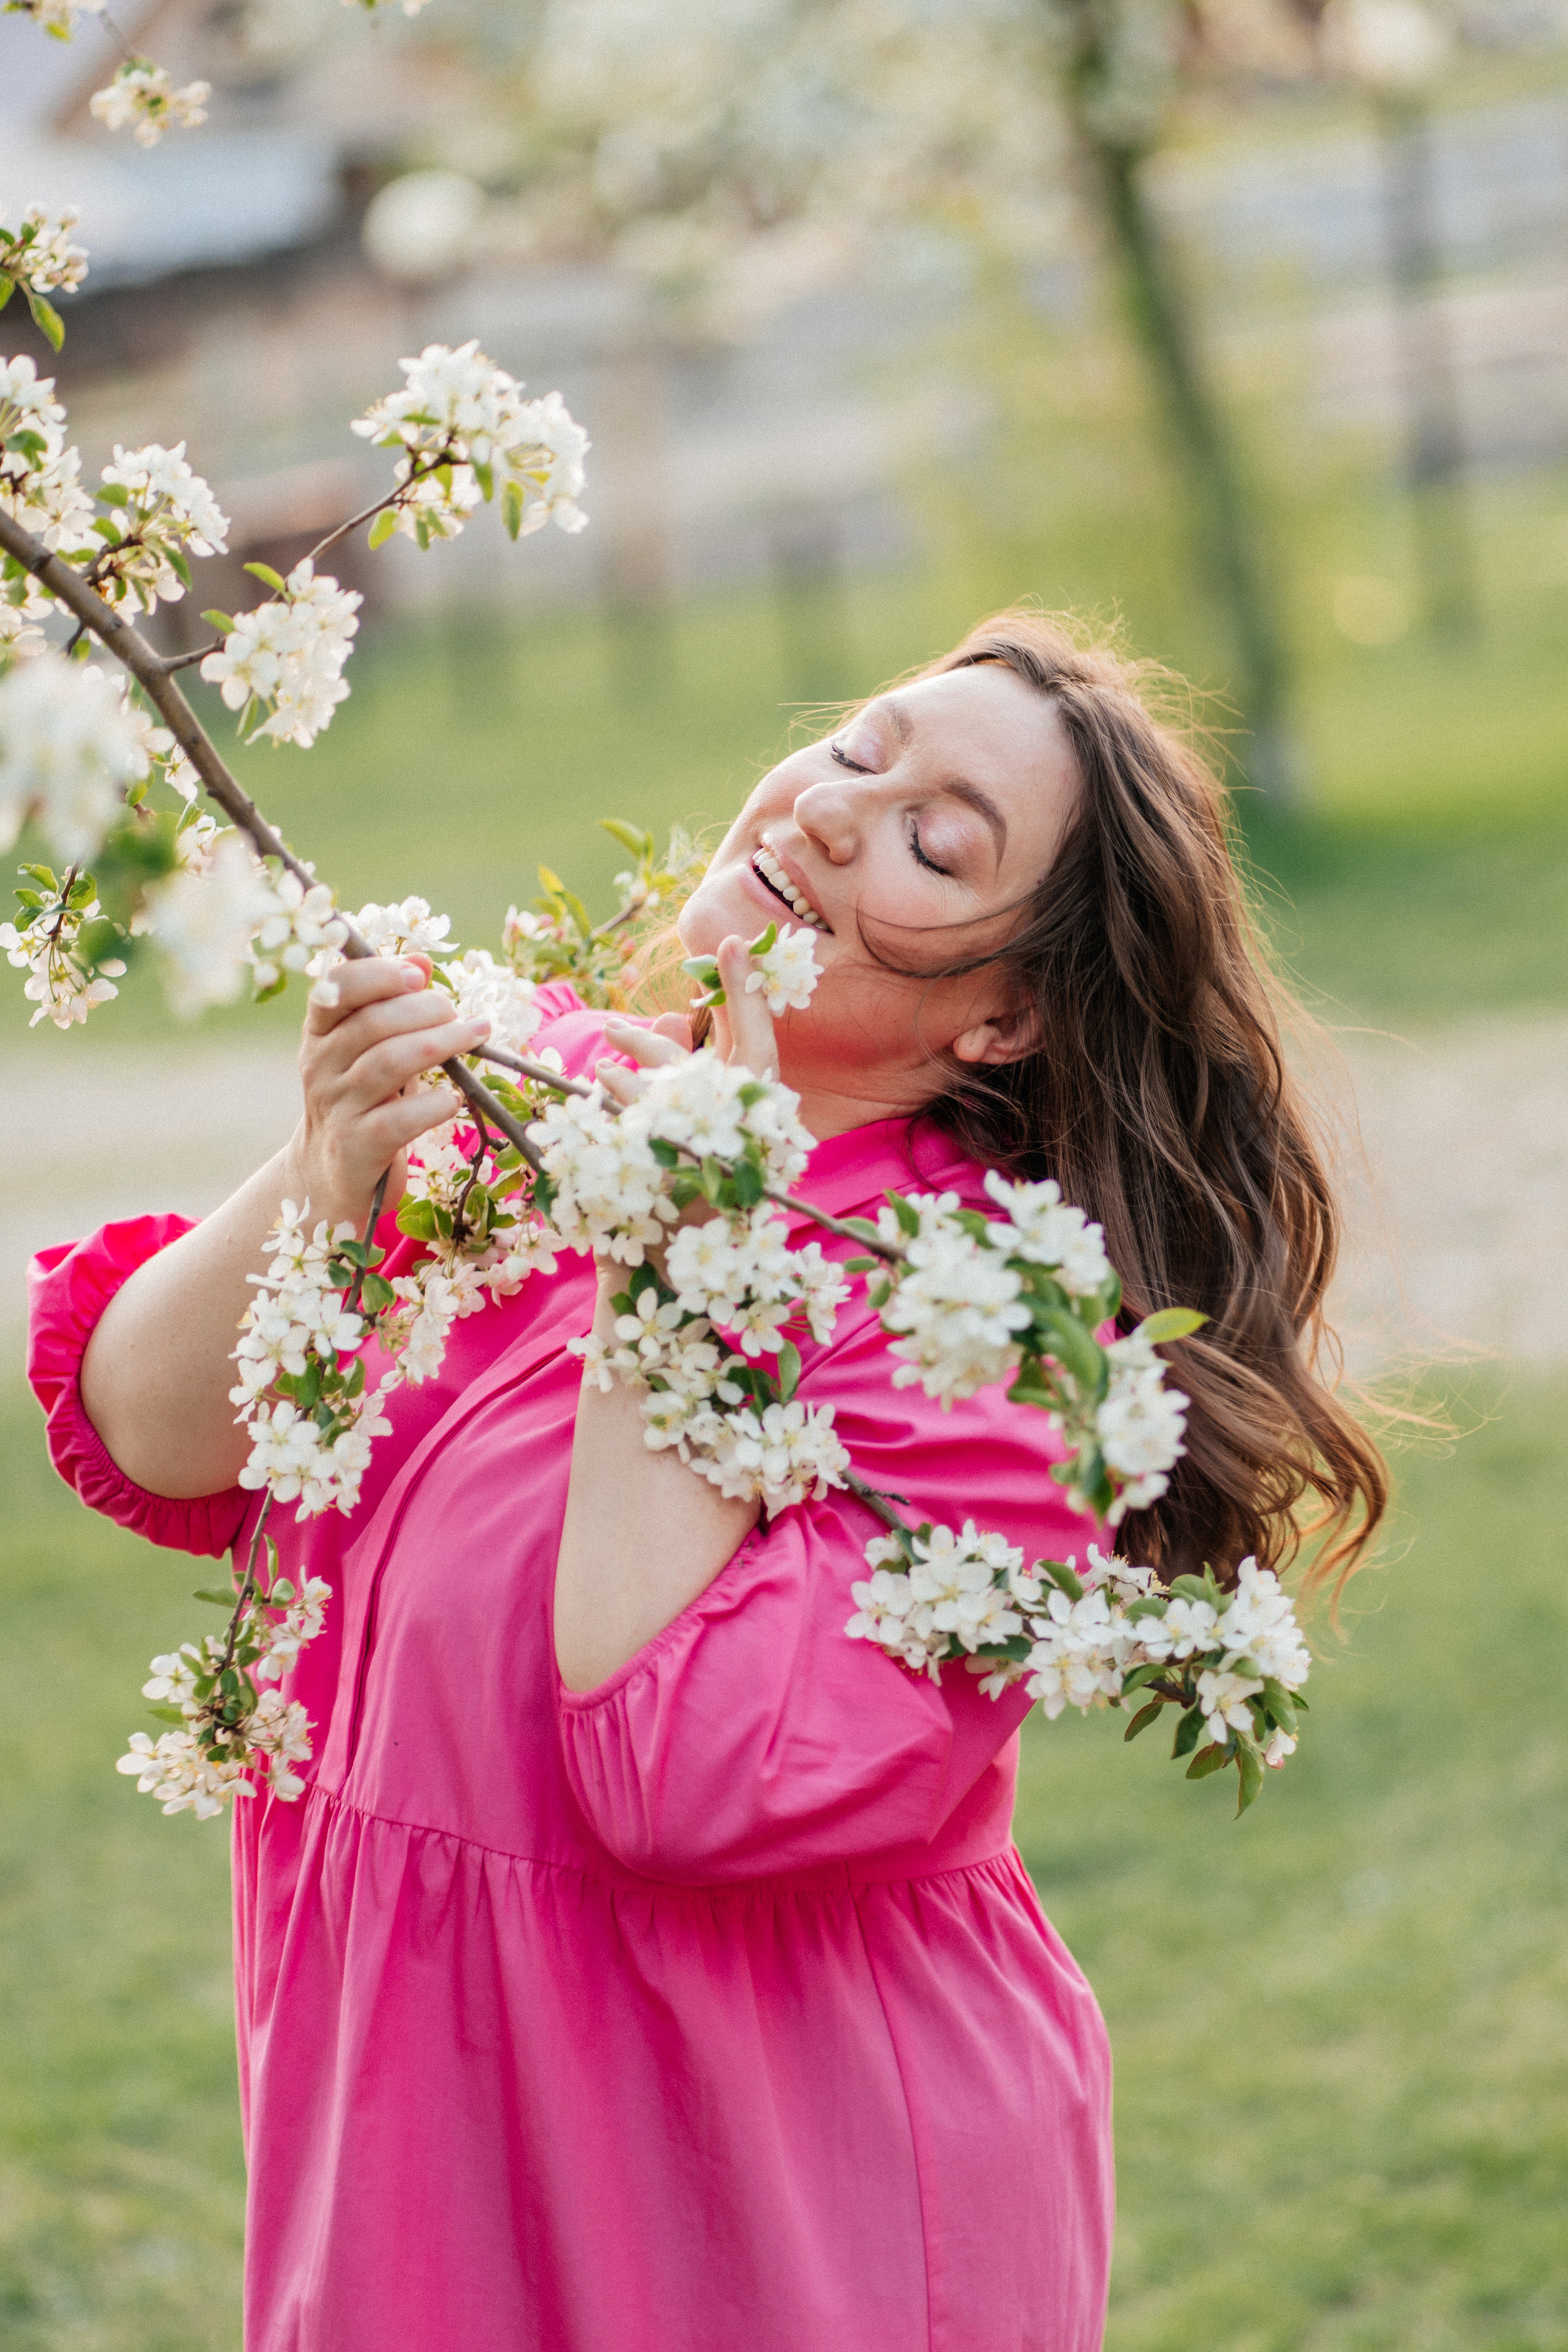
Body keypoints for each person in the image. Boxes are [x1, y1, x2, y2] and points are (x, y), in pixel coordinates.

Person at [28, 612, 1385, 2351]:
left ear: (1006, 1015)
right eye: (857, 750)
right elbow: (149, 1429)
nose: (833, 809)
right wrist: (325, 1166)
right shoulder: (538, 1102)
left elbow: (683, 1773)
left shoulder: (995, 1335)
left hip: (761, 2200)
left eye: (931, 838)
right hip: (408, 2147)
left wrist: (683, 1248)